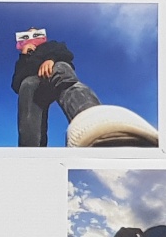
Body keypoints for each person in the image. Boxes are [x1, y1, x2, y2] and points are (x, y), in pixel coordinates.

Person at [11, 27, 156, 148]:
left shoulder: (50, 45)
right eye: (27, 36)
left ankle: (95, 123)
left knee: (62, 72)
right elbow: (16, 83)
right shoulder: (23, 59)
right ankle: (31, 150)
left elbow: (65, 53)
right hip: (34, 81)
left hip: (54, 68)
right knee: (27, 85)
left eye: (35, 34)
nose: (32, 38)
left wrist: (51, 59)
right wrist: (24, 56)